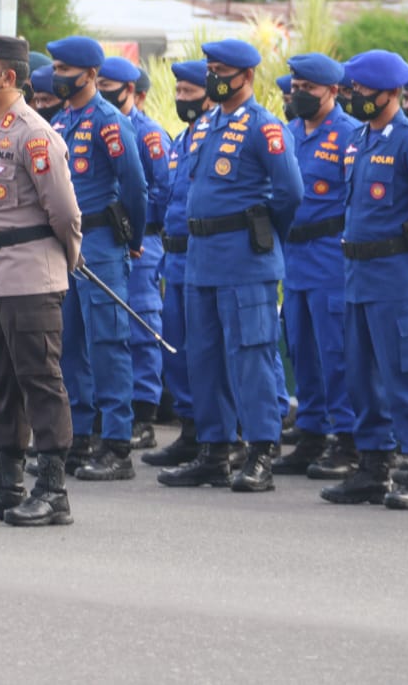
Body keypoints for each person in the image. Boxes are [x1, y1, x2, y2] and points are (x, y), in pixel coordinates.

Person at [155, 39, 302, 493]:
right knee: (203, 357)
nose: (213, 78)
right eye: (211, 70)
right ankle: (215, 451)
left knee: (250, 356)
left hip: (245, 259)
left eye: (221, 71)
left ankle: (260, 452)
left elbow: (290, 193)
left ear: (246, 77)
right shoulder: (204, 126)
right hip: (201, 259)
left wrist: (259, 230)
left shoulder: (264, 127)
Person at [0, 33, 83, 525]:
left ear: (8, 76)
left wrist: (65, 260)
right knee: (2, 382)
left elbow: (65, 212)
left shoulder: (34, 133)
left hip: (29, 277)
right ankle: (8, 482)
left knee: (40, 381)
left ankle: (52, 489)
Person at [319, 49, 408, 510]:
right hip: (357, 275)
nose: (354, 96)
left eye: (362, 90)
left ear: (391, 92)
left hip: (396, 276)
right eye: (352, 89)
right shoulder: (358, 139)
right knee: (361, 376)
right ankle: (374, 467)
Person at [46, 35, 147, 480]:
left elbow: (136, 187)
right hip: (64, 246)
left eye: (65, 70)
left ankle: (117, 444)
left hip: (101, 244)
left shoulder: (108, 122)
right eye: (55, 68)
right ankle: (80, 435)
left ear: (90, 75)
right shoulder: (61, 120)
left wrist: (133, 237)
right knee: (68, 344)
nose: (58, 76)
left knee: (107, 344)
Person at [271, 53, 359, 479]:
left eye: (309, 89)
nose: (299, 95)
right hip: (295, 256)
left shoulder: (350, 134)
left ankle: (349, 439)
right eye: (296, 88)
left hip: (330, 254)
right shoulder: (288, 133)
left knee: (335, 351)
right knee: (301, 348)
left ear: (333, 91)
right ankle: (311, 433)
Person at [96, 56, 171, 449]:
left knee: (141, 325)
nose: (102, 92)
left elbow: (162, 190)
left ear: (130, 91)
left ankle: (144, 413)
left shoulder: (148, 134)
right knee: (106, 328)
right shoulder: (94, 123)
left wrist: (130, 226)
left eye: (109, 86)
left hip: (142, 242)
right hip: (105, 241)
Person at [140, 60, 210, 468]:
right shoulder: (182, 139)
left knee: (211, 350)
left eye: (189, 92)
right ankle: (190, 430)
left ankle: (227, 437)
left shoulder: (217, 136)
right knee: (177, 349)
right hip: (176, 256)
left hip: (208, 254)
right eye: (178, 92)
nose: (182, 99)